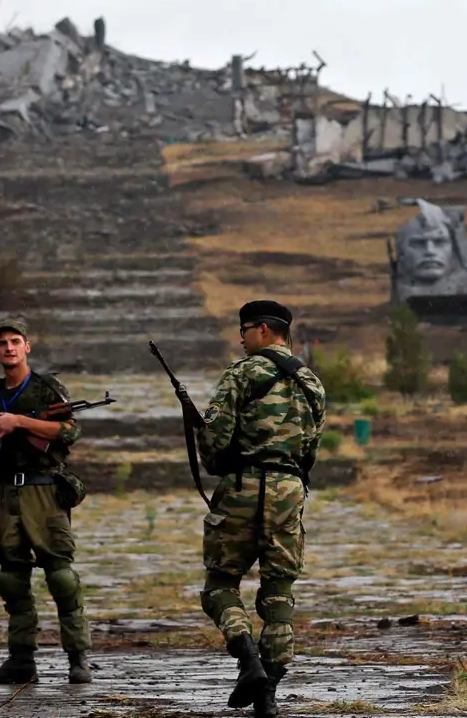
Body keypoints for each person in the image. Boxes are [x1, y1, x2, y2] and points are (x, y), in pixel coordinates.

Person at [197, 301, 328, 718]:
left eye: (245, 330)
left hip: (243, 486)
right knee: (279, 595)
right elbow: (310, 450)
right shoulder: (313, 383)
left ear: (265, 332)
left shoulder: (242, 373)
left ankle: (248, 660)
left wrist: (209, 446)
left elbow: (215, 445)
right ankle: (267, 695)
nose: (241, 338)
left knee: (219, 584)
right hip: (290, 489)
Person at [0, 317, 92, 685]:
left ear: (27, 346)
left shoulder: (45, 388)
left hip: (45, 491)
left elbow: (70, 430)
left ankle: (78, 658)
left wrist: (20, 422)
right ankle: (21, 661)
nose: (9, 347)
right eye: (2, 342)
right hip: (7, 495)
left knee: (62, 576)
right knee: (11, 578)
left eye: (15, 341)